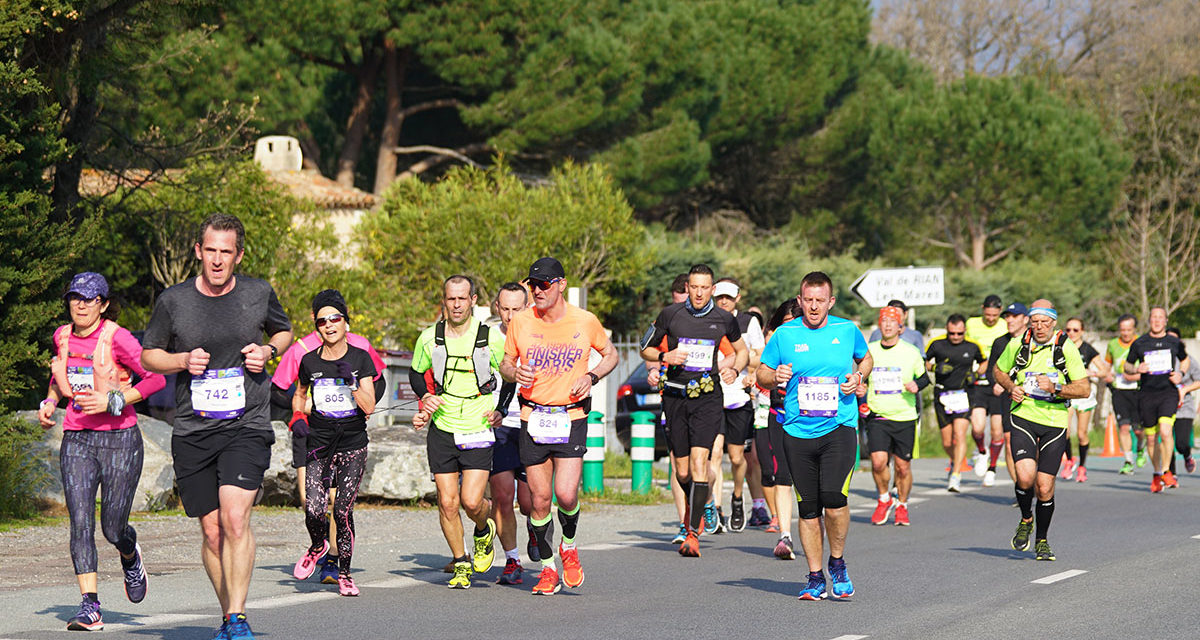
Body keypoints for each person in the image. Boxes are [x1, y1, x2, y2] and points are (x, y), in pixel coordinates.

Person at [141, 213, 293, 640]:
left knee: (234, 519)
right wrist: (180, 361)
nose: (218, 259)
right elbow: (148, 355)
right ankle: (228, 612)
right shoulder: (173, 301)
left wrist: (267, 350)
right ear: (198, 251)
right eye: (211, 250)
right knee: (211, 531)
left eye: (227, 252)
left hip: (247, 422)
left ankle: (238, 618)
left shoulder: (257, 293)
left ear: (238, 255)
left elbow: (284, 333)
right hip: (193, 427)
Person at [38, 272, 165, 631]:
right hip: (77, 439)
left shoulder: (118, 338)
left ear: (104, 304)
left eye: (90, 299)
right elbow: (60, 375)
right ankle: (90, 606)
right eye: (75, 297)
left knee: (112, 528)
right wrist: (50, 401)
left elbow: (155, 379)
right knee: (80, 522)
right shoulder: (62, 336)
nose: (81, 304)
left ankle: (129, 551)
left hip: (119, 440)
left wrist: (114, 398)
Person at [500, 257, 618, 595]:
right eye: (533, 284)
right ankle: (548, 569)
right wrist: (514, 372)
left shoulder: (585, 320)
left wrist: (592, 375)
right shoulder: (521, 322)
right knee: (538, 501)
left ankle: (569, 545)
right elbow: (507, 362)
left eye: (544, 284)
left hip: (571, 415)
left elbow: (611, 355)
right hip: (533, 416)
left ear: (561, 285)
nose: (537, 290)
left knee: (565, 494)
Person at [757, 271, 870, 600]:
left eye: (821, 300)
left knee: (834, 502)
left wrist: (858, 376)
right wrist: (774, 375)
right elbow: (762, 372)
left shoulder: (846, 330)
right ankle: (815, 576)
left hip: (839, 426)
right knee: (808, 509)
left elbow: (866, 358)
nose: (814, 306)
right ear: (800, 300)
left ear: (831, 301)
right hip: (797, 430)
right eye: (808, 300)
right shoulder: (784, 334)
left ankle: (837, 563)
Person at [271, 305, 385, 585]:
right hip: (315, 436)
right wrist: (298, 415)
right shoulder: (303, 353)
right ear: (315, 322)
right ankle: (318, 545)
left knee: (340, 506)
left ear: (345, 320)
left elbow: (373, 395)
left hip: (350, 438)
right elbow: (284, 390)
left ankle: (336, 565)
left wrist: (355, 390)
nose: (329, 324)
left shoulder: (361, 349)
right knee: (311, 505)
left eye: (335, 318)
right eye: (323, 320)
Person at [640, 265, 748, 557]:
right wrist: (666, 356)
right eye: (694, 287)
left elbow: (742, 352)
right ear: (687, 287)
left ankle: (692, 531)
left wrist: (734, 370)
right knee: (683, 470)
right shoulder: (670, 315)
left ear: (712, 289)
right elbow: (644, 348)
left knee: (701, 462)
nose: (699, 293)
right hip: (675, 396)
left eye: (705, 287)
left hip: (708, 397)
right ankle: (699, 505)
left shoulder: (724, 319)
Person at [410, 275, 505, 589]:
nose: (457, 305)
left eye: (463, 298)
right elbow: (414, 372)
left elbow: (511, 375)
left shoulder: (490, 337)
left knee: (471, 501)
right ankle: (461, 561)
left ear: (474, 300)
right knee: (447, 502)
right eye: (451, 299)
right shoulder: (429, 337)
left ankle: (483, 528)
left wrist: (500, 410)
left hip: (477, 424)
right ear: (444, 301)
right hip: (442, 425)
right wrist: (425, 397)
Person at [994, 300, 1089, 561]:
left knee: (1045, 486)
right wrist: (1010, 387)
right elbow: (999, 371)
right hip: (1023, 416)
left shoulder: (1065, 348)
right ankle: (1026, 519)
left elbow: (1084, 389)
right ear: (1029, 322)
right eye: (1034, 322)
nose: (1039, 327)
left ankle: (1042, 541)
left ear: (1053, 323)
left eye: (1044, 322)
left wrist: (1056, 389)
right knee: (1025, 478)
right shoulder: (1018, 344)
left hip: (1054, 422)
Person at [862, 306, 930, 526]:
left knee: (902, 466)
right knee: (878, 462)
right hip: (878, 414)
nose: (888, 325)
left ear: (901, 328)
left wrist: (915, 385)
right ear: (879, 325)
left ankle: (902, 504)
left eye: (893, 322)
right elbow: (860, 378)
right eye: (884, 321)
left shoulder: (910, 351)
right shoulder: (869, 350)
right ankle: (884, 498)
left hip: (904, 415)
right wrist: (860, 393)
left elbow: (924, 379)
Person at [489, 282, 535, 584]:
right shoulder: (486, 339)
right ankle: (513, 560)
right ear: (497, 308)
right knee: (503, 496)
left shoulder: (538, 335)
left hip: (532, 425)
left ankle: (535, 527)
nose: (509, 315)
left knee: (533, 502)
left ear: (527, 307)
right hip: (499, 427)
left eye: (516, 309)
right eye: (504, 308)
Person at [712, 278, 765, 533]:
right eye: (720, 296)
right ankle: (715, 508)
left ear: (737, 298)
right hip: (711, 397)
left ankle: (736, 497)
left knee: (736, 457)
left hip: (738, 397)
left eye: (728, 297)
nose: (723, 301)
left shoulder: (747, 322)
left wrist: (743, 367)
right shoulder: (707, 320)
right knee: (713, 454)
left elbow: (760, 355)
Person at [1123, 307, 1191, 492]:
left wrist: (1180, 373)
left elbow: (1185, 361)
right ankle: (1157, 472)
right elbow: (1127, 367)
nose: (1157, 321)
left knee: (1166, 431)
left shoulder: (1174, 341)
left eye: (1161, 317)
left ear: (1166, 320)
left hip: (1168, 392)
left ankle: (1167, 470)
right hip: (1146, 394)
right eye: (1154, 317)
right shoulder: (1140, 343)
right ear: (1150, 320)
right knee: (1151, 439)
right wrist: (1137, 369)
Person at [924, 314, 986, 492]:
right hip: (942, 394)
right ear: (947, 330)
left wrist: (976, 375)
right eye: (952, 333)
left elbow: (984, 362)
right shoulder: (937, 344)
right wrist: (935, 368)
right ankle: (957, 460)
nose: (956, 337)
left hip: (964, 394)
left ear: (964, 331)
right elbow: (924, 362)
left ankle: (956, 475)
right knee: (947, 441)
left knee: (959, 435)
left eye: (959, 333)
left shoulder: (973, 346)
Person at [757, 299, 799, 558]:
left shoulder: (818, 342)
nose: (790, 328)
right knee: (782, 476)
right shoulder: (776, 343)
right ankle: (785, 536)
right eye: (785, 323)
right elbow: (762, 372)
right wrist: (772, 376)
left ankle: (813, 528)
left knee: (810, 483)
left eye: (796, 322)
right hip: (779, 413)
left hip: (812, 419)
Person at [982, 303, 1028, 487]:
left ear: (1025, 319)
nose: (1009, 320)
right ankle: (1021, 489)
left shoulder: (1034, 341)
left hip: (1033, 400)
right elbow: (991, 371)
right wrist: (997, 383)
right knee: (1010, 444)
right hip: (1008, 400)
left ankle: (1034, 480)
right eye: (1007, 316)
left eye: (1014, 316)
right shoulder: (1000, 343)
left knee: (1034, 445)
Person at [1059, 317, 1109, 483]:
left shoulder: (1088, 349)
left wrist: (1090, 372)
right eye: (1068, 330)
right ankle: (1069, 461)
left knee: (1081, 434)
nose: (1071, 333)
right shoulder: (1061, 347)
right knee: (1064, 431)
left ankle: (1082, 466)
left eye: (1075, 330)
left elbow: (1104, 371)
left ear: (1082, 331)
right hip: (1067, 392)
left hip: (1083, 395)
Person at [966, 295, 1009, 478]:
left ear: (1000, 311)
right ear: (982, 309)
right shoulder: (971, 324)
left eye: (995, 315)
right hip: (979, 383)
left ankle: (992, 467)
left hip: (998, 383)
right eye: (988, 314)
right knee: (977, 427)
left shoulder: (1005, 325)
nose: (991, 318)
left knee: (997, 431)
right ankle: (982, 451)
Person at [1105, 314, 1143, 475]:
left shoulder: (1142, 342)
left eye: (1129, 330)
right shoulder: (1113, 344)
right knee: (1124, 427)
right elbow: (1107, 365)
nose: (1126, 333)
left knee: (1139, 430)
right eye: (1122, 330)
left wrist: (1135, 376)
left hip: (1138, 390)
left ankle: (1141, 449)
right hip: (1119, 391)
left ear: (1134, 329)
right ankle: (1128, 461)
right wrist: (1107, 375)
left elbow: (1148, 368)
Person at [1166, 327, 1199, 478]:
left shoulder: (1189, 360)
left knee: (1181, 443)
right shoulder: (1160, 359)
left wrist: (1185, 389)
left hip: (1184, 406)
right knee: (1166, 439)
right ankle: (1171, 474)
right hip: (1165, 403)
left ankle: (1186, 455)